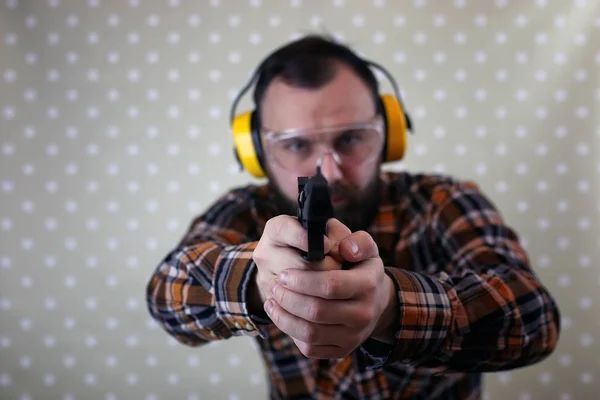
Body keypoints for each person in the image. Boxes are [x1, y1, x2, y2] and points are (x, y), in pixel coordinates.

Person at [145, 34, 561, 399]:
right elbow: (167, 294)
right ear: (256, 151)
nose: (328, 170)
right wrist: (257, 279)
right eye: (294, 145)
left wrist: (392, 308)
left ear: (389, 134)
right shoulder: (246, 209)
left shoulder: (440, 200)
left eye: (351, 138)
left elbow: (533, 318)